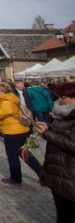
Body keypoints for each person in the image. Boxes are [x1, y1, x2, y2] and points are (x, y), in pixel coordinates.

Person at [0, 82, 43, 184]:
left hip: (13, 132)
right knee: (24, 153)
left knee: (13, 155)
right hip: (19, 130)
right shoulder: (6, 99)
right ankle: (42, 174)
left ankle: (16, 177)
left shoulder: (7, 102)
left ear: (3, 92)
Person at [34, 82, 75, 223]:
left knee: (66, 214)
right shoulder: (64, 112)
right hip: (60, 169)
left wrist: (46, 134)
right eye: (59, 96)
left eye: (65, 97)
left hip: (70, 171)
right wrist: (49, 128)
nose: (61, 100)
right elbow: (65, 133)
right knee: (63, 212)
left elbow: (72, 143)